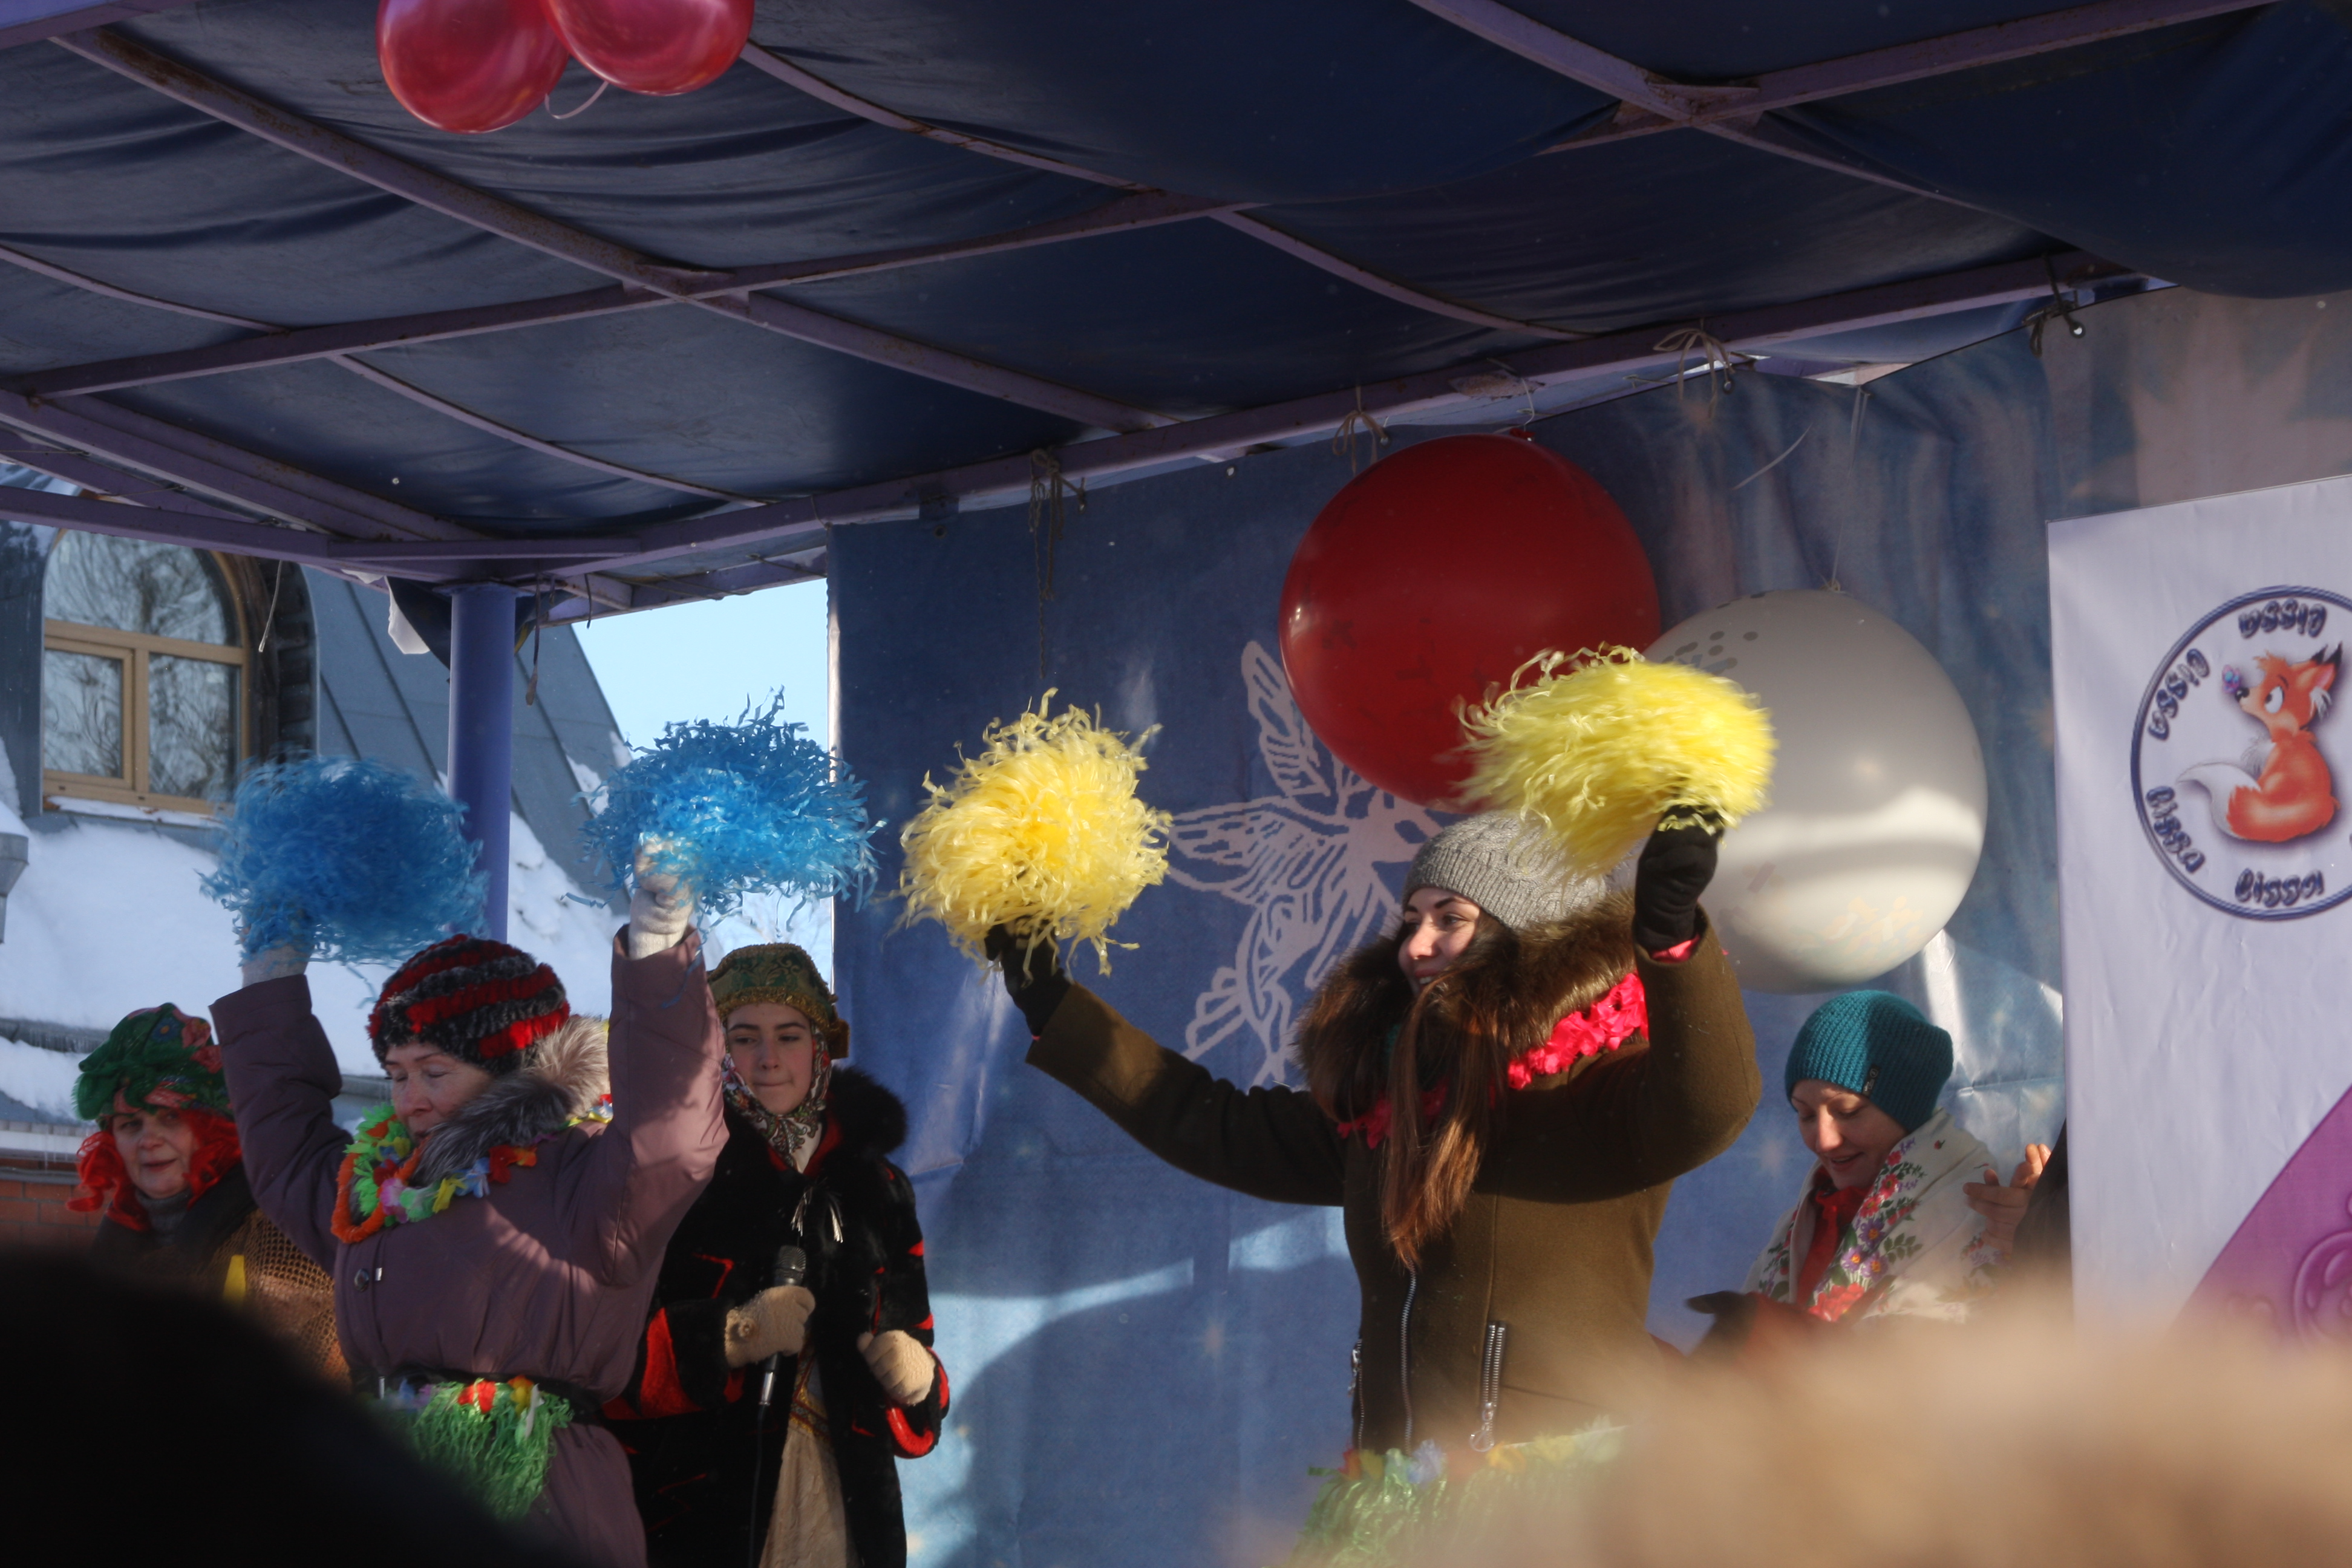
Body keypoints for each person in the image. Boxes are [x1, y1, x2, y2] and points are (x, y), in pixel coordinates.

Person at [999, 810, 1759, 1455]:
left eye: (1450, 920)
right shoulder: (1391, 1107)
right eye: (1411, 920)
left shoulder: (1594, 1090)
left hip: (1559, 1510)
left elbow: (1711, 1104)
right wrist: (1051, 1003)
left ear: (1531, 938)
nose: (1415, 946)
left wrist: (1670, 937)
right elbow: (1213, 1124)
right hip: (1398, 1494)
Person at [214, 878, 727, 1568]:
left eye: (434, 1072)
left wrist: (658, 951)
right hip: (388, 1495)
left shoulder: (588, 1181)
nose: (411, 1100)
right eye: (397, 1074)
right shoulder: (381, 1189)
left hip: (535, 1504)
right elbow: (286, 1150)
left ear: (511, 1068)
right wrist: (268, 986)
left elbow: (674, 1133)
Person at [607, 942, 947, 1568]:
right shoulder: (667, 1175)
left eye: (789, 1036)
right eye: (744, 1038)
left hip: (847, 1515)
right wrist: (728, 1337)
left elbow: (915, 1335)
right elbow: (595, 1358)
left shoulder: (880, 1188)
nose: (768, 1059)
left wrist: (918, 1375)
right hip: (695, 1515)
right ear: (716, 1050)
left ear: (821, 1047)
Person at [70, 1002, 342, 1378]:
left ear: (211, 1128)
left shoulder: (275, 1234)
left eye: (171, 1118)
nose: (149, 1140)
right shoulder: (110, 1254)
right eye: (131, 1124)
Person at [1737, 990, 2040, 1327]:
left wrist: (2041, 1235)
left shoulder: (1980, 1212)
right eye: (1806, 1114)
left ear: (1906, 1110)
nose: (1823, 1140)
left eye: (1848, 1111)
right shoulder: (1810, 1218)